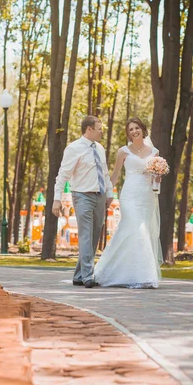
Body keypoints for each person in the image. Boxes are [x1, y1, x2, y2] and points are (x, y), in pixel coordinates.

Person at [93, 117, 162, 288]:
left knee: (138, 231)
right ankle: (143, 275)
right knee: (138, 230)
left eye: (136, 128)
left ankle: (134, 273)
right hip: (129, 196)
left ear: (142, 129)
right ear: (128, 133)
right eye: (130, 129)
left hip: (146, 197)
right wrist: (107, 193)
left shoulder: (154, 152)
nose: (134, 131)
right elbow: (115, 175)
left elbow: (155, 179)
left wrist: (158, 176)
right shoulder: (123, 151)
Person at [52, 115, 113, 288]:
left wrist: (109, 193)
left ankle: (79, 275)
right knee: (86, 235)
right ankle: (88, 275)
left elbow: (105, 173)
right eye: (99, 128)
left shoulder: (100, 148)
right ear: (89, 129)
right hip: (82, 195)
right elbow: (62, 175)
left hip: (100, 196)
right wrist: (57, 199)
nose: (101, 131)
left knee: (94, 236)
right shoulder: (74, 149)